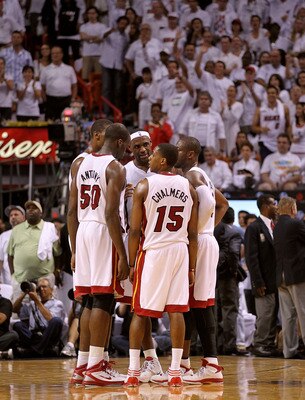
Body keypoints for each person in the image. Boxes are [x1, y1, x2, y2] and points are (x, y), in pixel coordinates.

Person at [125, 143, 198, 388]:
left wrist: (132, 262)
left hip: (154, 251)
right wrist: (192, 267)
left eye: (154, 154)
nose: (151, 158)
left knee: (141, 311)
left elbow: (135, 230)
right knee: (176, 311)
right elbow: (194, 234)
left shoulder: (144, 185)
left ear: (163, 161)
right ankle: (175, 371)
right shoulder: (188, 186)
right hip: (180, 250)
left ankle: (134, 370)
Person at [68, 123, 130, 386]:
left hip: (82, 231)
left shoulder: (78, 163)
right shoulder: (115, 167)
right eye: (126, 148)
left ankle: (82, 365)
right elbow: (111, 215)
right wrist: (123, 255)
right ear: (118, 143)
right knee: (104, 299)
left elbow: (70, 211)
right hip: (103, 231)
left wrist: (73, 249)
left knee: (89, 301)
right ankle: (96, 367)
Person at [174, 136, 228, 384]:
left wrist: (199, 230)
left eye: (179, 148)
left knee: (201, 305)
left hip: (200, 243)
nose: (175, 151)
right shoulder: (201, 175)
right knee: (193, 304)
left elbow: (209, 203)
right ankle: (185, 364)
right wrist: (207, 227)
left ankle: (211, 365)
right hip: (204, 239)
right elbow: (223, 204)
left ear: (190, 153)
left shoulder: (193, 177)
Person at [123, 130, 163, 383]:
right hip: (135, 244)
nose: (142, 149)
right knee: (138, 308)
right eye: (137, 146)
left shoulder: (161, 170)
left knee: (147, 308)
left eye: (145, 144)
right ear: (130, 148)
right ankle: (150, 362)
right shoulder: (124, 172)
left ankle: (157, 363)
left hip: (159, 245)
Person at [244, 194, 278, 357]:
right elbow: (251, 257)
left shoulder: (274, 226)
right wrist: (258, 282)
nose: (276, 207)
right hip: (262, 280)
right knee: (264, 315)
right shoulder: (254, 227)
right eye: (274, 204)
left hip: (275, 279)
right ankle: (260, 344)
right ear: (265, 205)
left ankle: (269, 343)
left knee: (272, 313)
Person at [7, 201, 61, 302]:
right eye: (28, 208)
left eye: (34, 208)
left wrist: (57, 271)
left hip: (45, 281)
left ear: (41, 213)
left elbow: (57, 253)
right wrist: (13, 275)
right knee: (21, 313)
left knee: (47, 313)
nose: (30, 210)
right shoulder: (16, 230)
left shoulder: (49, 228)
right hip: (21, 281)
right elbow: (10, 255)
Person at [273, 197, 305, 359]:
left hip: (281, 277)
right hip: (297, 275)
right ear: (292, 208)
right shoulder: (296, 224)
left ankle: (289, 351)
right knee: (303, 312)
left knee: (288, 316)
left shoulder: (277, 227)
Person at [13, 277, 67, 357]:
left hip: (48, 334)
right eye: (39, 287)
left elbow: (50, 319)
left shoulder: (57, 303)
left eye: (44, 287)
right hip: (34, 335)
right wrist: (24, 293)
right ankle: (39, 349)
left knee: (56, 321)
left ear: (51, 290)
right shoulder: (31, 303)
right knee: (18, 325)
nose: (41, 289)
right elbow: (14, 309)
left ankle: (34, 350)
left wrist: (37, 301)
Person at [214, 207, 243, 356]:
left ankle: (217, 344)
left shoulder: (215, 229)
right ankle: (229, 345)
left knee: (217, 311)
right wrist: (233, 272)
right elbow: (233, 253)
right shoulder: (235, 232)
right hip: (227, 277)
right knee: (230, 310)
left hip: (214, 275)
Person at [40, 46, 77, 121]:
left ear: (62, 54)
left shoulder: (69, 69)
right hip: (51, 101)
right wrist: (45, 101)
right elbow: (42, 87)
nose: (55, 55)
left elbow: (74, 86)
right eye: (53, 53)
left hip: (66, 101)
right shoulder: (45, 70)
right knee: (51, 124)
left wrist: (73, 99)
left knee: (66, 124)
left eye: (57, 53)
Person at [0, 205, 25, 285]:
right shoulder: (3, 236)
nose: (13, 217)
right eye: (11, 215)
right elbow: (0, 259)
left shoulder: (29, 233)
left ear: (24, 217)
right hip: (7, 282)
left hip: (26, 280)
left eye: (16, 214)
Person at [0, 294, 18, 359]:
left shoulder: (5, 302)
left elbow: (1, 318)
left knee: (13, 335)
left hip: (1, 336)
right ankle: (2, 353)